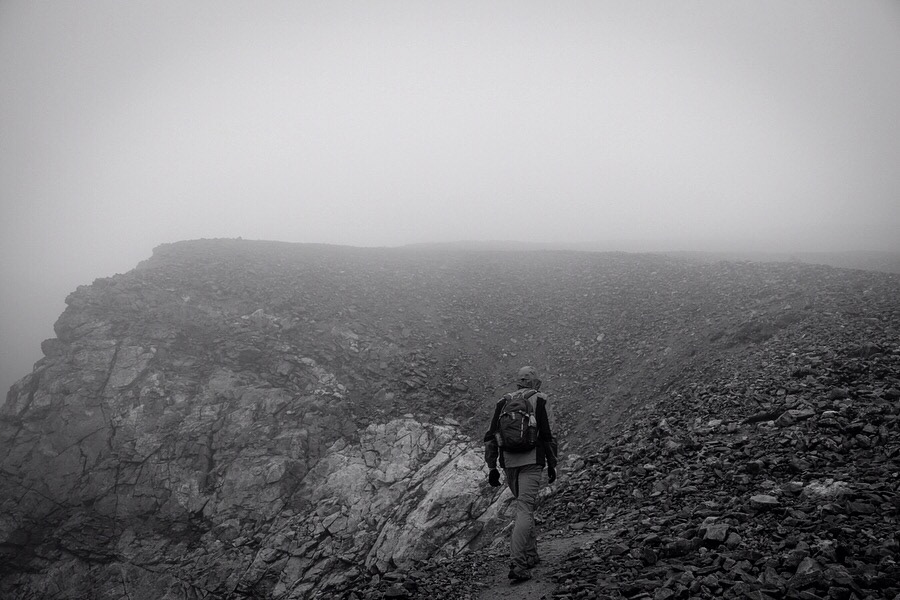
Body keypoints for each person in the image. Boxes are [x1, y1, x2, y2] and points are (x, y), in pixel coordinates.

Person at [484, 366, 559, 583]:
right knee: (525, 509)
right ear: (535, 382)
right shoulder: (541, 399)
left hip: (508, 464)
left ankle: (530, 555)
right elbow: (548, 434)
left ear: (518, 382)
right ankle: (517, 563)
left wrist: (491, 467)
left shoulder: (503, 401)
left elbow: (491, 436)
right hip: (532, 461)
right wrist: (552, 464)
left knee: (523, 506)